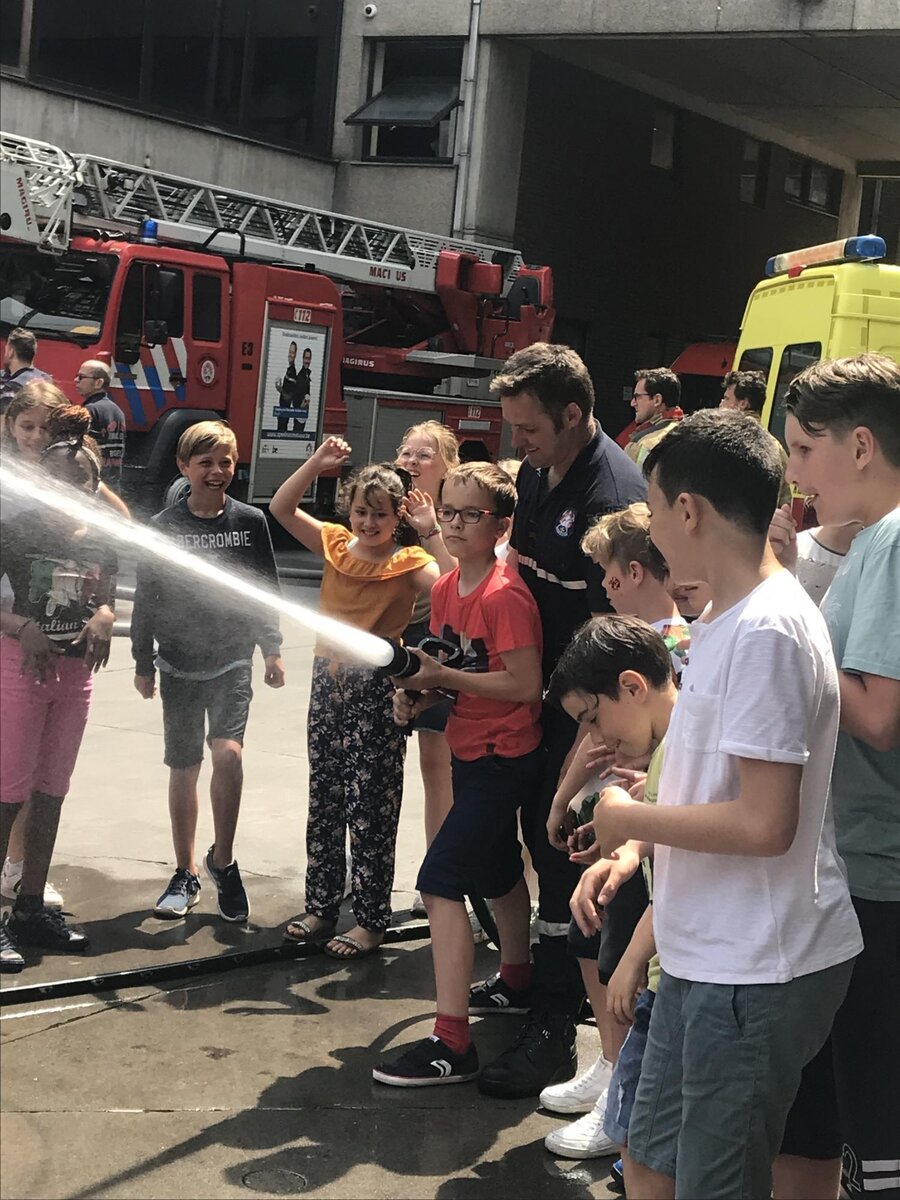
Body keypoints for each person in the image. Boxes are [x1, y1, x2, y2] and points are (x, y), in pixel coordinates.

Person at [585, 408, 863, 1199]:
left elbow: (765, 822)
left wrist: (628, 819)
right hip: (705, 957)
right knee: (651, 1159)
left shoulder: (768, 629)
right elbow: (717, 785)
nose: (650, 533)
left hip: (753, 970)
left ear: (689, 510)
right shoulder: (724, 617)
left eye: (652, 508)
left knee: (716, 1183)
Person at [475, 342, 645, 1100]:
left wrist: (579, 765)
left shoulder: (610, 495)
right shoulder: (540, 472)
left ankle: (557, 1029)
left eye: (529, 429)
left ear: (574, 414)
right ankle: (540, 993)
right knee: (539, 855)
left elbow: (614, 661)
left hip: (587, 722)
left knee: (568, 869)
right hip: (541, 703)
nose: (518, 444)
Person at [772, 354, 900, 1200]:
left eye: (802, 449)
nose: (795, 474)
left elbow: (882, 715)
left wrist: (792, 623)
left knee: (874, 1139)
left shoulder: (890, 541)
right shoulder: (874, 542)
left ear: (859, 446)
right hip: (866, 865)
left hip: (876, 875)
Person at [371, 462, 544, 1085]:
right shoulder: (446, 589)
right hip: (470, 750)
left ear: (502, 526)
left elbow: (525, 685)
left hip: (505, 756)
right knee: (497, 871)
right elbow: (452, 667)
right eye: (448, 512)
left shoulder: (505, 595)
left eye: (472, 514)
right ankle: (517, 981)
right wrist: (419, 697)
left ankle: (452, 1043)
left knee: (440, 882)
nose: (455, 524)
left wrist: (442, 679)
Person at [537, 506, 691, 1157]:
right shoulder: (639, 684)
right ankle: (613, 1081)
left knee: (620, 964)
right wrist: (615, 839)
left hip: (667, 920)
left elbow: (694, 859)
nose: (602, 585)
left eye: (608, 573)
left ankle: (618, 1105)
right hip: (631, 843)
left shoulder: (679, 673)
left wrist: (628, 830)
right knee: (595, 945)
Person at [270, 438, 438, 959]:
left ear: (397, 517)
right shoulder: (337, 544)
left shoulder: (409, 561)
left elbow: (455, 586)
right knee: (325, 798)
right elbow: (281, 508)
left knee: (372, 806)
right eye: (362, 511)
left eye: (380, 514)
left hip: (377, 689)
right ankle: (321, 906)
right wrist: (316, 464)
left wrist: (432, 529)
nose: (368, 523)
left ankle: (370, 920)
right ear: (349, 509)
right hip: (328, 682)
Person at [131, 421, 285, 924]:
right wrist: (142, 661)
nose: (217, 471)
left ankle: (225, 860)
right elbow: (147, 598)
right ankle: (185, 871)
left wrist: (272, 649)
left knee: (228, 755)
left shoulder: (250, 521)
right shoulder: (163, 527)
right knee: (184, 766)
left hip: (232, 659)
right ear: (184, 467)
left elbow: (265, 588)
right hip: (176, 663)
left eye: (226, 462)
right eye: (205, 463)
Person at [0, 382, 128, 912]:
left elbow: (108, 595)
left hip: (75, 677)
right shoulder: (14, 531)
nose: (67, 486)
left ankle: (31, 905)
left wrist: (104, 615)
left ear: (95, 484)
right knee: (8, 792)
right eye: (56, 477)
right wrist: (20, 627)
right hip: (20, 670)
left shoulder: (100, 536)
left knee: (52, 790)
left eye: (79, 478)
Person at [393, 422, 460, 918]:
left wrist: (431, 527)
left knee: (437, 770)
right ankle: (362, 865)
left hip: (436, 644)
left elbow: (458, 579)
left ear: (447, 467)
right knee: (375, 767)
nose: (412, 462)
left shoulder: (454, 515)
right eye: (406, 452)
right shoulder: (383, 506)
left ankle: (436, 871)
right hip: (386, 643)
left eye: (424, 455)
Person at [74, 361, 127, 493]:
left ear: (98, 383)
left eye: (81, 377)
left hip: (94, 487)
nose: (76, 380)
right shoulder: (118, 411)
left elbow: (80, 450)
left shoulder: (89, 410)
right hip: (112, 487)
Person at [623, 369, 684, 466]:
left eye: (638, 397)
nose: (633, 403)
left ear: (657, 400)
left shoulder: (645, 444)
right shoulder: (688, 434)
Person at [0, 327, 50, 414]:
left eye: (6, 349)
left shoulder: (12, 388)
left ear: (11, 352)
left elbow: (4, 420)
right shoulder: (46, 380)